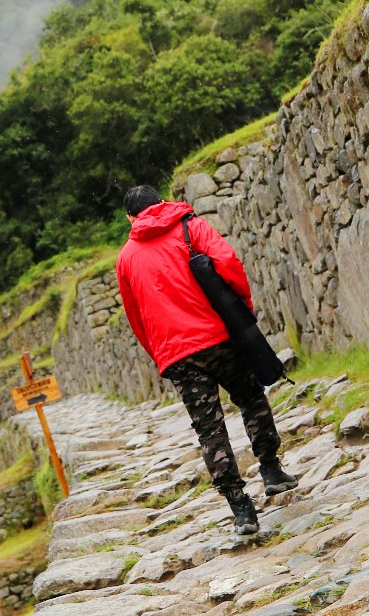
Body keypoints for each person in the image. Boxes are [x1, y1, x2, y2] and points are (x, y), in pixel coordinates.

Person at [116, 184, 298, 538]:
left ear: (130, 218)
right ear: (161, 203)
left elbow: (135, 316)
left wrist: (161, 355)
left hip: (178, 355)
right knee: (250, 397)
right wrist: (243, 308)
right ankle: (271, 469)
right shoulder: (190, 226)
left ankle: (240, 508)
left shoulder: (125, 258)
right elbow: (228, 261)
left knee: (209, 429)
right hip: (219, 338)